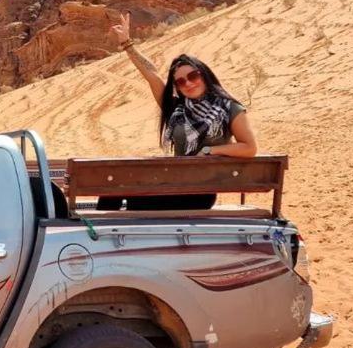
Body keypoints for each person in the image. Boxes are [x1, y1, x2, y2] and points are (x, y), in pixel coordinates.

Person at [103, 12, 258, 209]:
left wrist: (210, 150)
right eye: (181, 81)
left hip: (199, 191)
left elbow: (249, 148)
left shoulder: (228, 107)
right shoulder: (177, 109)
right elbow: (153, 76)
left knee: (127, 197)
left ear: (204, 75)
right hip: (173, 183)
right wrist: (127, 44)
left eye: (193, 76)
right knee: (110, 188)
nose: (189, 83)